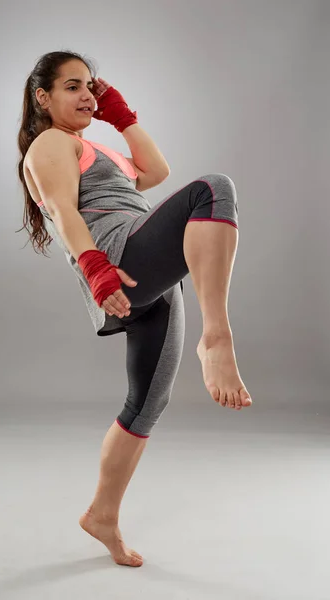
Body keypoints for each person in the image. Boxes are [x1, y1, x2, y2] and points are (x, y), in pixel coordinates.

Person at [16, 50, 253, 568]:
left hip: (150, 279)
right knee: (214, 189)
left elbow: (156, 171)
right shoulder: (50, 143)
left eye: (91, 89)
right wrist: (95, 269)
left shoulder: (91, 146)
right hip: (119, 258)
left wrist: (121, 118)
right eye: (73, 87)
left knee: (146, 406)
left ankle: (102, 514)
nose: (86, 97)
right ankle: (218, 336)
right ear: (43, 97)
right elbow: (59, 210)